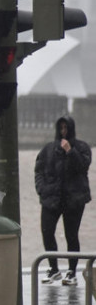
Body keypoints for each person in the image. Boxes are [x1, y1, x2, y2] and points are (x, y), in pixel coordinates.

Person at [35, 116, 91, 287]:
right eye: (61, 128)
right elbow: (38, 170)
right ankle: (54, 269)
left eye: (66, 128)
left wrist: (70, 151)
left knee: (71, 236)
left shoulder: (81, 147)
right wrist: (42, 190)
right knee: (47, 232)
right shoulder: (48, 149)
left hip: (74, 200)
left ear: (71, 129)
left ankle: (72, 272)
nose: (63, 131)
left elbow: (83, 167)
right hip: (51, 198)